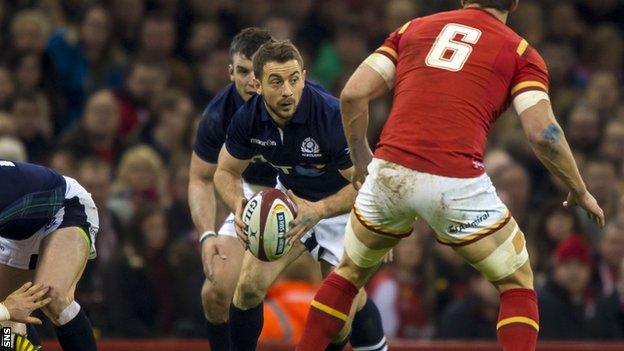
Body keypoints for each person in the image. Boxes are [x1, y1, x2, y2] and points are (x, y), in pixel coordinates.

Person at [296, 1, 605, 350]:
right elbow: (543, 134)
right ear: (515, 3)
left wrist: (362, 157)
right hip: (455, 181)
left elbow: (352, 94)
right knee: (516, 282)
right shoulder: (521, 52)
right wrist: (579, 189)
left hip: (390, 171)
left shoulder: (413, 29)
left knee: (349, 274)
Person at [214, 40, 387, 351]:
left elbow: (368, 185)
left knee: (338, 323)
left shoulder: (332, 117)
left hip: (343, 211)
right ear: (256, 83)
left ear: (304, 77)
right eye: (276, 81)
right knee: (248, 289)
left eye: (294, 79)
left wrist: (321, 210)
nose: (287, 91)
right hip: (291, 203)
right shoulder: (248, 118)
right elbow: (225, 172)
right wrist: (236, 203)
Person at [188, 27, 277, 351]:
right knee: (215, 294)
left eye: (258, 72)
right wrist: (207, 235)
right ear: (230, 72)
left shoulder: (308, 102)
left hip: (313, 193)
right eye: (242, 71)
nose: (251, 81)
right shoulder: (217, 116)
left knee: (352, 295)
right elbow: (199, 178)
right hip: (254, 195)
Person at [0, 160, 99, 350]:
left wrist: (6, 310)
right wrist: (7, 311)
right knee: (6, 325)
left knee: (53, 295)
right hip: (14, 230)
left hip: (65, 207)